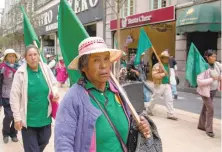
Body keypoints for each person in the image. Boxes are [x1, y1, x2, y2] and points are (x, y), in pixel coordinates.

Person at [55, 37, 150, 152]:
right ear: (83, 67)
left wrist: (140, 124)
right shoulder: (73, 97)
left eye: (106, 59)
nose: (104, 65)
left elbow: (131, 119)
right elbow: (63, 142)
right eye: (96, 60)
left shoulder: (118, 91)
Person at [10, 45, 59, 152]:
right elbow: (14, 96)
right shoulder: (20, 73)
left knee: (45, 141)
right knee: (32, 149)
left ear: (39, 56)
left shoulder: (45, 69)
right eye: (30, 55)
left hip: (45, 119)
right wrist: (17, 118)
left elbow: (54, 84)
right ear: (25, 58)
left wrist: (55, 93)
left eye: (35, 54)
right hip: (28, 122)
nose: (33, 57)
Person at [197, 49, 222, 138]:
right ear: (207, 57)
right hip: (205, 91)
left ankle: (201, 124)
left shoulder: (217, 65)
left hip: (213, 90)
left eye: (215, 56)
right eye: (212, 56)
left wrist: (220, 77)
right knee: (210, 109)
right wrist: (213, 79)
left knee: (205, 107)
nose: (214, 58)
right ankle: (209, 129)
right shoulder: (203, 66)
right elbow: (199, 81)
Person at [147, 50, 178, 120]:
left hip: (167, 85)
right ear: (162, 58)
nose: (167, 59)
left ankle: (170, 113)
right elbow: (154, 75)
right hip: (159, 84)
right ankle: (149, 109)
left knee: (169, 99)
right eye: (165, 58)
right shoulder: (157, 65)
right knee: (155, 98)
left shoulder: (168, 65)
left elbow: (169, 75)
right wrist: (163, 74)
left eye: (168, 58)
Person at [0, 49, 20, 143]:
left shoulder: (19, 68)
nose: (12, 58)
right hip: (6, 95)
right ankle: (5, 133)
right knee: (9, 116)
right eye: (9, 56)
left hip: (17, 95)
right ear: (6, 58)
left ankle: (14, 133)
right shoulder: (2, 68)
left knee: (16, 116)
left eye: (13, 56)